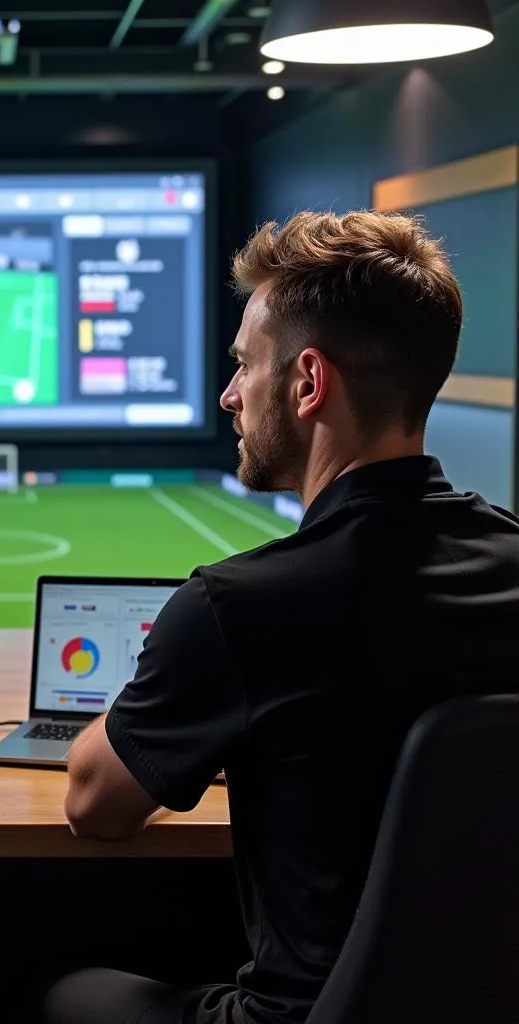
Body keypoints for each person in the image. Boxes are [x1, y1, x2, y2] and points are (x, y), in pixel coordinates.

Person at [45, 210, 519, 1024]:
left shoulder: (239, 604)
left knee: (64, 993)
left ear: (307, 383)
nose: (230, 394)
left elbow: (95, 806)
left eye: (242, 366)